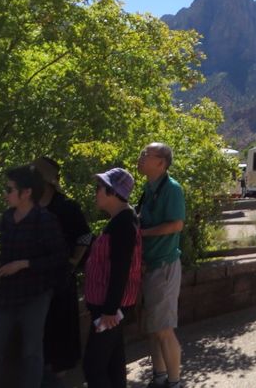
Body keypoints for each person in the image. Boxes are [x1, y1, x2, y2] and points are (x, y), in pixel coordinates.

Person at [0, 164, 67, 388]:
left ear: (26, 193)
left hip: (34, 295)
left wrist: (25, 264)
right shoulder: (7, 218)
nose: (5, 194)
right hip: (5, 295)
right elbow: (6, 254)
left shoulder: (44, 220)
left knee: (31, 352)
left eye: (9, 189)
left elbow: (60, 258)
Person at [33, 156, 92, 384]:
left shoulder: (66, 206)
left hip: (60, 282)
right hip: (35, 282)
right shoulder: (30, 206)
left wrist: (71, 262)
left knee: (60, 335)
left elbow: (85, 236)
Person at [82, 168, 143, 388]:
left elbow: (121, 269)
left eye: (99, 188)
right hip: (111, 307)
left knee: (94, 366)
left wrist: (109, 309)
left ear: (112, 192)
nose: (96, 192)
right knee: (113, 362)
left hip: (109, 309)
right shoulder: (122, 219)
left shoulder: (124, 224)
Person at [137, 143, 185, 388]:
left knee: (164, 328)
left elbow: (177, 225)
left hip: (164, 266)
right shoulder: (149, 187)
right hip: (151, 265)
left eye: (147, 154)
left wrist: (143, 234)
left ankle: (173, 381)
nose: (141, 157)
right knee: (155, 327)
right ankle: (159, 376)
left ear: (161, 163)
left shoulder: (172, 189)